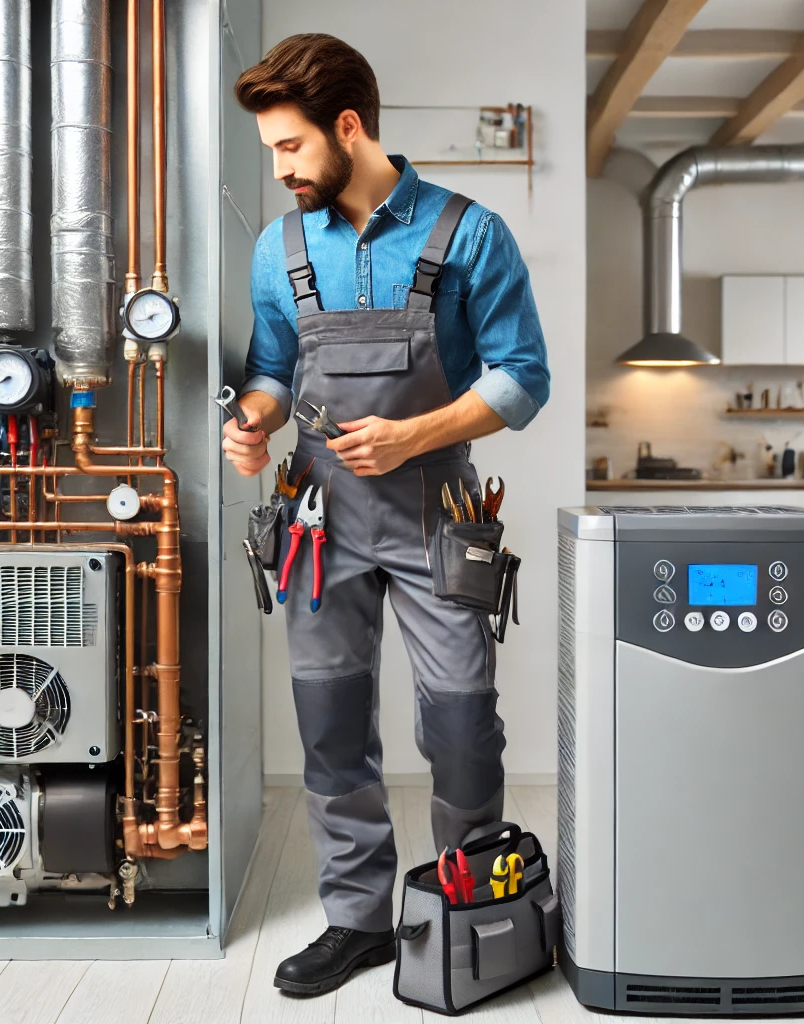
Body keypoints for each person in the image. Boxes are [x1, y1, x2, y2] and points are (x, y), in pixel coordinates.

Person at [223, 33, 550, 997]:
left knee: (460, 722)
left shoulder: (467, 233)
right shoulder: (280, 248)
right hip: (320, 522)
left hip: (438, 512)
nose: (280, 168)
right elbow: (274, 375)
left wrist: (416, 435)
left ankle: (476, 907)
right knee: (330, 725)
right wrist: (250, 423)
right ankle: (358, 919)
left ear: (349, 126)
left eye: (289, 147)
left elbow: (523, 376)